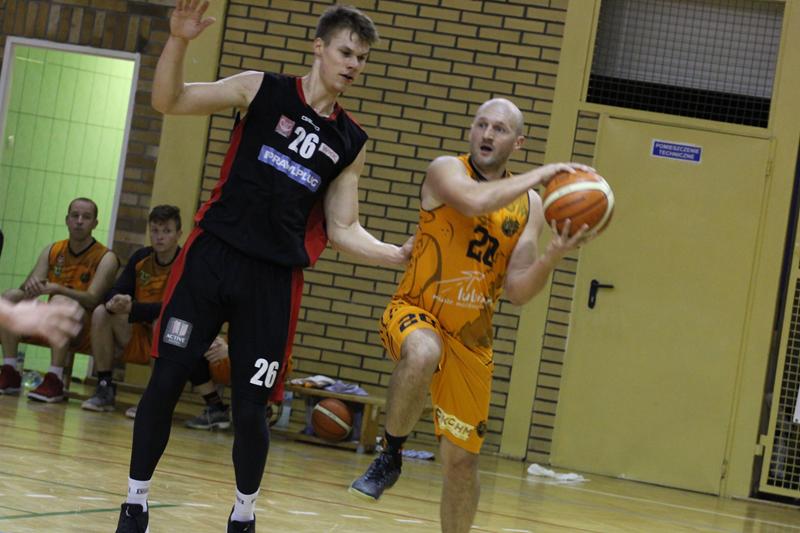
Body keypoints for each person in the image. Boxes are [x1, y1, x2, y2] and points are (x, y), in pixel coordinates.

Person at [115, 3, 411, 532]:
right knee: (167, 379)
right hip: (212, 259)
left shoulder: (349, 142)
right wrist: (178, 40)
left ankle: (243, 516)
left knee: (251, 407)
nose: (353, 65)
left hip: (273, 280)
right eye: (346, 52)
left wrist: (397, 254)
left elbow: (343, 228)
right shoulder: (260, 89)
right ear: (318, 47)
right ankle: (135, 505)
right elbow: (169, 100)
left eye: (362, 58)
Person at [348, 98, 592, 533]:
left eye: (499, 129)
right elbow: (472, 201)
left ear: (518, 143)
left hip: (471, 339)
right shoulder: (446, 170)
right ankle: (391, 455)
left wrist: (553, 256)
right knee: (423, 352)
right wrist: (543, 174)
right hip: (416, 309)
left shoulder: (531, 206)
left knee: (461, 464)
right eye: (481, 124)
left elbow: (518, 291)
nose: (486, 134)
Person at [0, 198, 118, 401]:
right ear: (67, 219)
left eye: (86, 217)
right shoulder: (53, 250)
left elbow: (93, 300)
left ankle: (55, 378)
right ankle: (10, 370)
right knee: (10, 297)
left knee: (60, 302)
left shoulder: (106, 257)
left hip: (84, 326)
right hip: (51, 317)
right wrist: (31, 286)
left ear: (95, 223)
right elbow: (26, 289)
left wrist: (58, 288)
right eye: (75, 216)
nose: (79, 221)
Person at [81, 205, 183, 412]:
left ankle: (155, 399)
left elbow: (176, 309)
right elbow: (117, 289)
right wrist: (115, 300)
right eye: (155, 231)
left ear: (178, 234)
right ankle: (104, 387)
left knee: (162, 322)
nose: (159, 237)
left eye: (166, 231)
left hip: (173, 336)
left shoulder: (186, 264)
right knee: (102, 312)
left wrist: (133, 308)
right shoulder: (141, 258)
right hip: (138, 330)